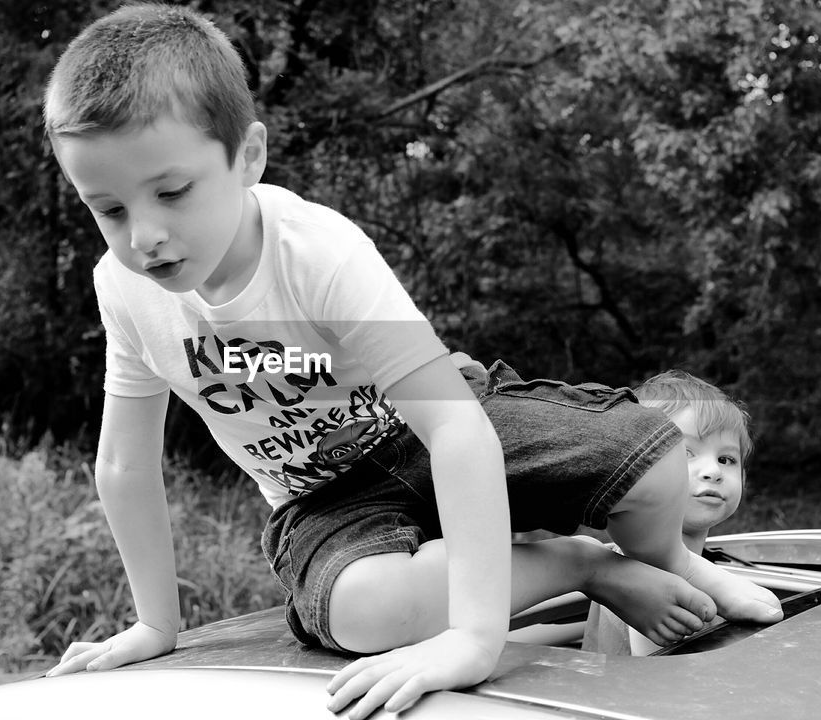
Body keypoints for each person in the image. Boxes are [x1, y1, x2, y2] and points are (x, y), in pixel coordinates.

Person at [39, 6, 781, 719]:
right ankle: (588, 565)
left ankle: (671, 560)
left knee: (653, 455)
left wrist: (473, 641)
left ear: (248, 158)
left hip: (430, 425)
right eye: (108, 210)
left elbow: (457, 432)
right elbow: (125, 466)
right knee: (361, 613)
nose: (145, 237)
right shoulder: (126, 291)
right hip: (327, 500)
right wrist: (154, 626)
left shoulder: (318, 252)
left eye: (171, 191)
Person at [582, 370, 753, 656]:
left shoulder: (621, 565)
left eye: (726, 459)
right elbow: (664, 682)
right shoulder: (645, 582)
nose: (713, 471)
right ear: (632, 465)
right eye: (686, 453)